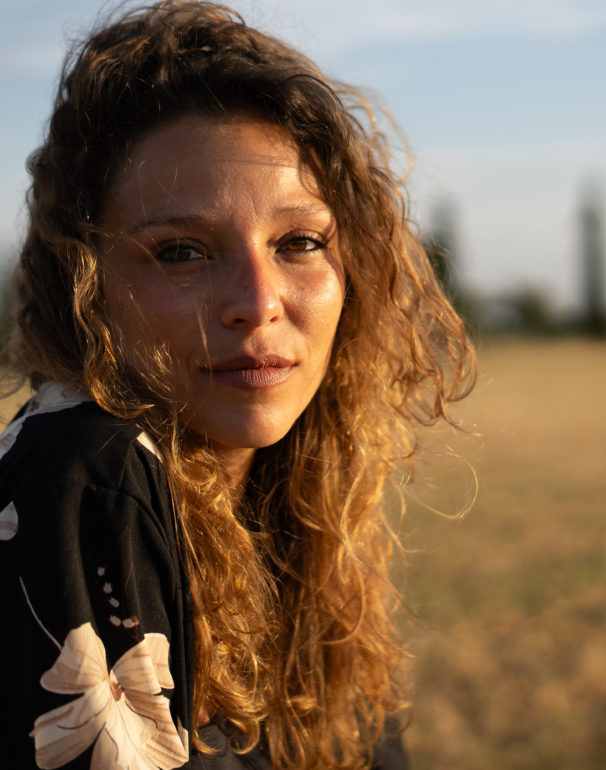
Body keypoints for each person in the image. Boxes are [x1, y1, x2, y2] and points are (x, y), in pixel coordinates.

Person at [0, 2, 475, 768]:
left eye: (298, 242)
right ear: (85, 284)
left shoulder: (289, 503)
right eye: (181, 251)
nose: (257, 303)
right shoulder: (88, 475)